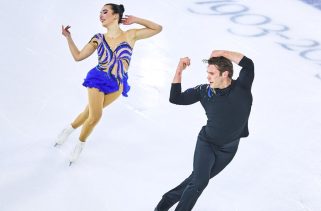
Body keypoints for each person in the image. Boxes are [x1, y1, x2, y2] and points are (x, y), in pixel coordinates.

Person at [54, 3, 162, 165]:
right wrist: (68, 37)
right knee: (95, 116)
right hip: (98, 79)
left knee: (88, 113)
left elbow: (157, 28)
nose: (101, 15)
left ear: (115, 16)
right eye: (100, 13)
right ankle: (80, 145)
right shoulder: (98, 38)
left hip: (117, 84)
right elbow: (78, 56)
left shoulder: (130, 35)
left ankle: (68, 129)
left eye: (105, 12)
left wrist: (136, 20)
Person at [154, 50, 254, 211]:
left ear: (225, 74)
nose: (208, 77)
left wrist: (221, 52)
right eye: (208, 73)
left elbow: (248, 64)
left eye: (212, 73)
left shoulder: (242, 86)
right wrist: (179, 69)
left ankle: (163, 204)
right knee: (200, 183)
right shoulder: (204, 91)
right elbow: (176, 98)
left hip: (229, 149)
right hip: (207, 143)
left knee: (195, 181)